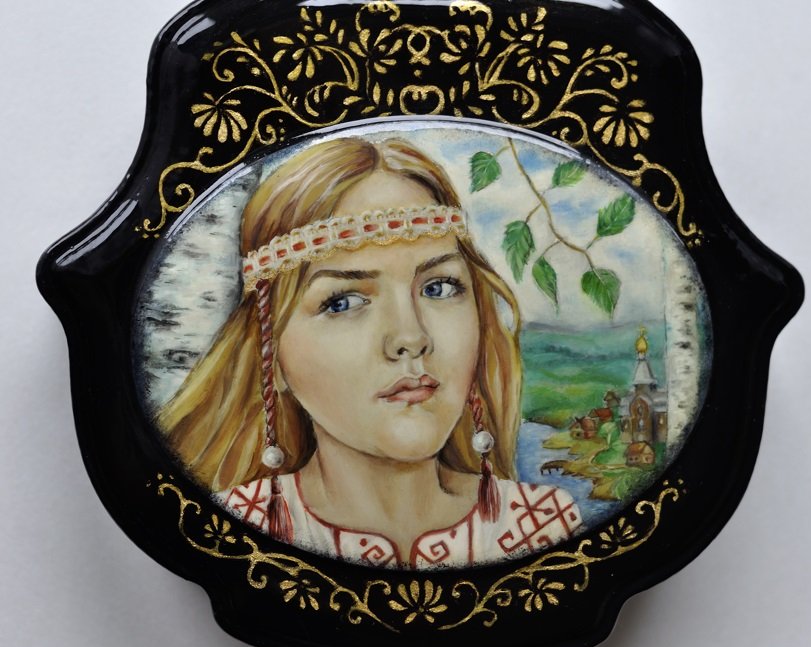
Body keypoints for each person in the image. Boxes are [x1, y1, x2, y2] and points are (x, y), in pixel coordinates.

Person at [157, 136, 581, 569]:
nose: (411, 337)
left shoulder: (541, 525)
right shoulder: (230, 530)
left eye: (439, 287)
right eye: (342, 302)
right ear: (270, 352)